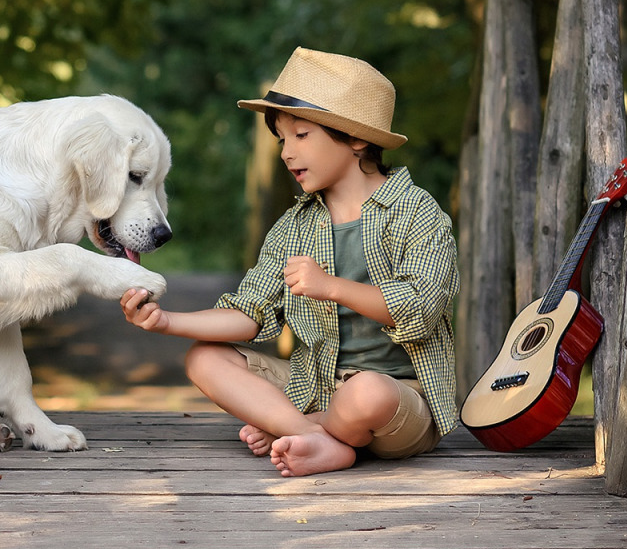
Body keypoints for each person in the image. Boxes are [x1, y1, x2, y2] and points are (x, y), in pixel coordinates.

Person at [121, 47, 460, 476]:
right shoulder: (294, 227)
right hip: (315, 386)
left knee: (367, 393)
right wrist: (166, 321)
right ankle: (317, 437)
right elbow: (248, 315)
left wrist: (331, 286)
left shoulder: (416, 211)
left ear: (356, 138)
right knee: (204, 359)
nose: (286, 152)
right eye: (282, 139)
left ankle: (306, 428)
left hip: (398, 402)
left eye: (301, 135)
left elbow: (420, 311)